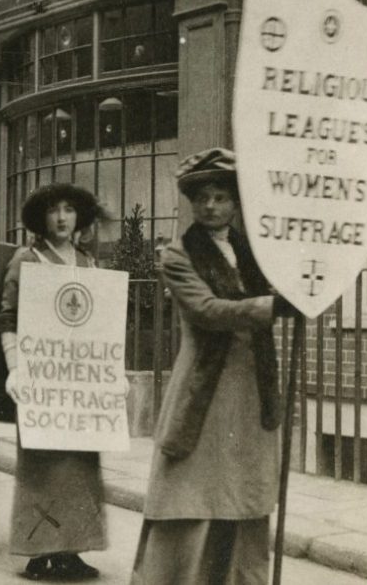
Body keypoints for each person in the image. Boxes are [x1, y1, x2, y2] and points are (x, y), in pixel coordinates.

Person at [131, 148, 295, 584]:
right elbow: (207, 310)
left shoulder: (255, 253)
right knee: (193, 493)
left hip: (251, 389)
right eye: (202, 198)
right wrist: (272, 305)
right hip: (204, 391)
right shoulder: (178, 254)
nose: (210, 206)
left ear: (234, 204)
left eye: (220, 197)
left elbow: (289, 288)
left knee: (243, 496)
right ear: (192, 203)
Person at [0, 183, 107, 580]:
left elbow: (99, 321)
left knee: (79, 465)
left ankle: (71, 549)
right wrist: (15, 366)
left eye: (69, 210)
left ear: (79, 217)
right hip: (40, 375)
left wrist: (110, 373)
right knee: (42, 464)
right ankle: (37, 551)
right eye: (53, 211)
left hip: (79, 379)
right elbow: (7, 316)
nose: (62, 218)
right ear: (41, 219)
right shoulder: (27, 259)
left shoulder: (88, 262)